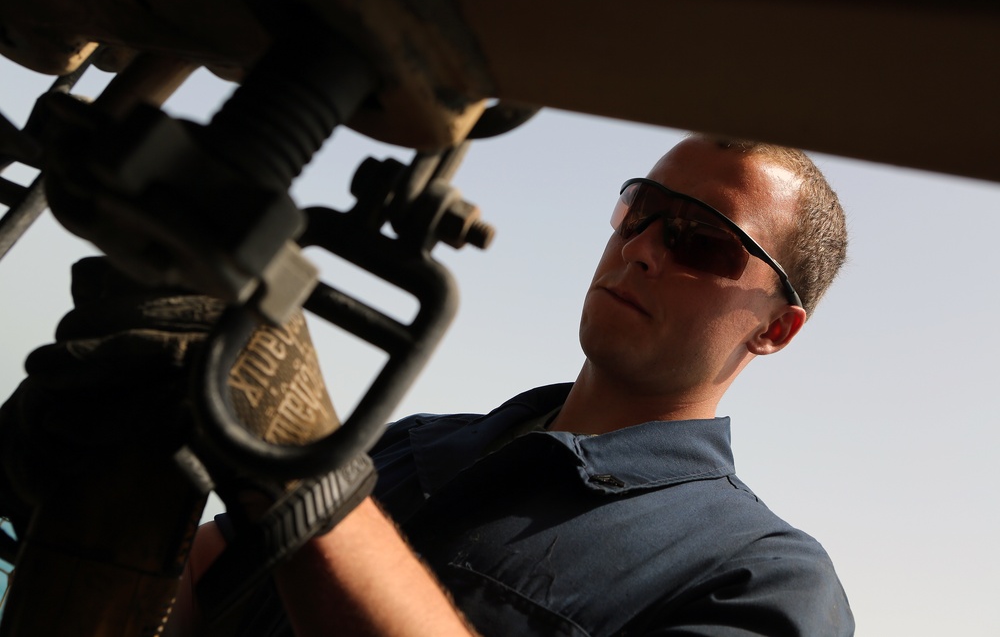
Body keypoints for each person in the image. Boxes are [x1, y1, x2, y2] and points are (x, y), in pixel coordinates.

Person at [3, 132, 854, 636]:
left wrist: (308, 478)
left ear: (776, 327)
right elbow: (199, 587)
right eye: (642, 210)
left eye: (702, 239)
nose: (643, 249)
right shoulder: (419, 443)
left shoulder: (762, 579)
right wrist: (97, 497)